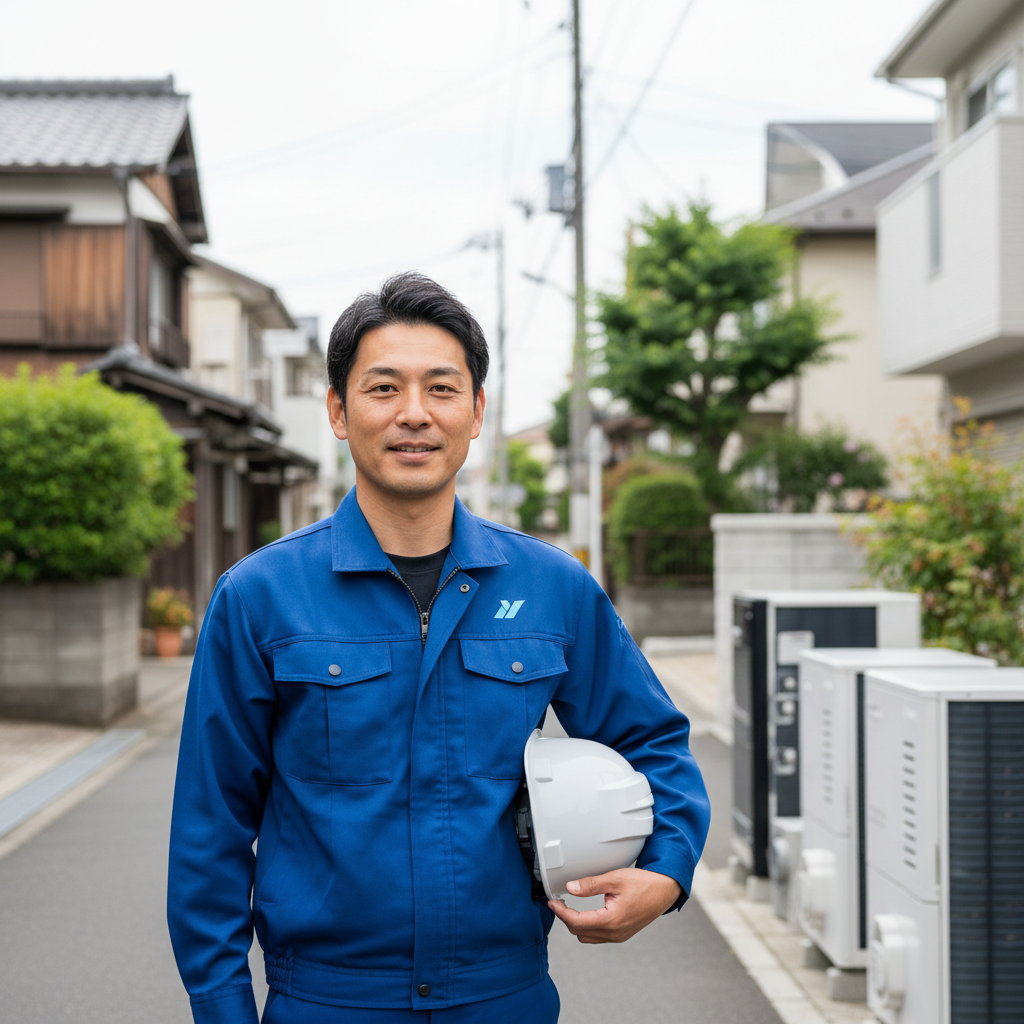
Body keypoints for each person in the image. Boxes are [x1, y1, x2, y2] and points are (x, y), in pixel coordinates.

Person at [167, 273, 710, 1024]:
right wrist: (223, 1011)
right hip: (326, 1000)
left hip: (504, 996)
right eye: (384, 388)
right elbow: (210, 828)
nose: (414, 413)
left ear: (477, 411)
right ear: (338, 411)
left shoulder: (552, 586)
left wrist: (667, 873)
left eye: (442, 389)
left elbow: (652, 740)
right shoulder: (260, 596)